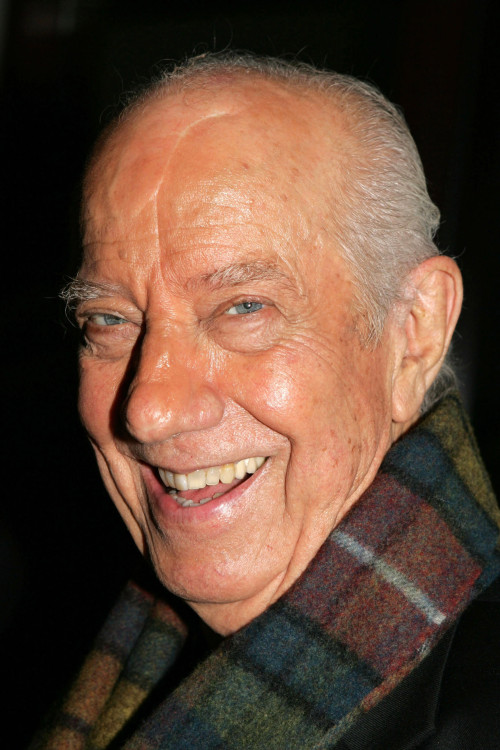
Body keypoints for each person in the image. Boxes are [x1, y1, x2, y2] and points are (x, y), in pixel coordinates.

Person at [35, 54, 500, 749]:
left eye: (243, 307)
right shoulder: (108, 654)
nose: (148, 409)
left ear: (415, 331)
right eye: (108, 319)